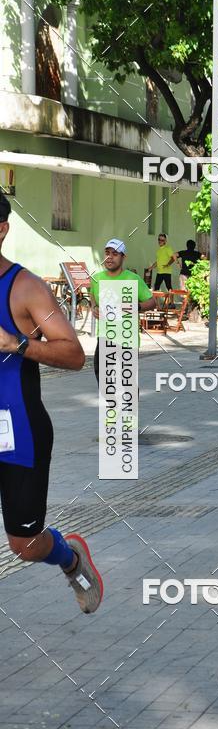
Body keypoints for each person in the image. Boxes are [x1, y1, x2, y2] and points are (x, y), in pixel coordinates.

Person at [0, 193, 102, 613]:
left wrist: (16, 344)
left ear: (1, 230)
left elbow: (74, 355)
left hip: (17, 432)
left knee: (24, 544)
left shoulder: (25, 288)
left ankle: (71, 559)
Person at [90, 240, 156, 385]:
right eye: (107, 253)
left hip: (127, 339)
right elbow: (93, 298)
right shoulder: (97, 279)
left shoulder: (133, 279)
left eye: (115, 254)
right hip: (105, 338)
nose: (110, 257)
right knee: (105, 382)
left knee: (127, 384)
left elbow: (152, 302)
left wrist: (136, 306)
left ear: (123, 257)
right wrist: (94, 308)